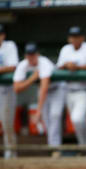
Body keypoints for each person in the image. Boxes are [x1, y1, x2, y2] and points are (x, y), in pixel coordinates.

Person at [13, 42, 66, 155]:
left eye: (33, 54)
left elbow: (44, 88)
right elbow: (17, 88)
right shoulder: (23, 65)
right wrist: (32, 79)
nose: (31, 57)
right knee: (47, 120)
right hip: (43, 91)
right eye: (28, 55)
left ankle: (55, 149)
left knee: (55, 115)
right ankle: (53, 147)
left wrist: (38, 111)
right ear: (25, 55)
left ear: (37, 54)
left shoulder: (44, 62)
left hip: (57, 89)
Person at [57, 26, 86, 146]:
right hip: (68, 90)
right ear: (69, 38)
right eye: (72, 37)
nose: (75, 39)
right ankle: (85, 146)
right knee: (76, 121)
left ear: (82, 38)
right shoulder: (66, 49)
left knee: (78, 119)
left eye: (77, 37)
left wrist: (77, 67)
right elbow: (59, 67)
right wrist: (67, 65)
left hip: (84, 90)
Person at [0, 24, 19, 159]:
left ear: (3, 35)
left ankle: (10, 152)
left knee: (6, 122)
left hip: (6, 89)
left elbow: (13, 66)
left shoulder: (10, 46)